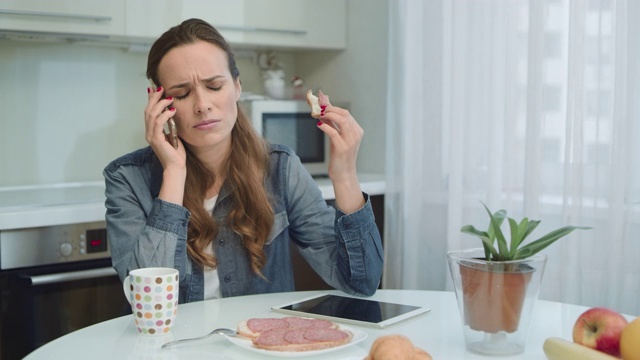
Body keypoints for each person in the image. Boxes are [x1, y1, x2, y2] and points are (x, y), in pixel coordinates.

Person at [103, 18, 383, 304]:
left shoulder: (281, 168)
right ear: (160, 104)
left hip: (260, 345)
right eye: (182, 94)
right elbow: (149, 303)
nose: (202, 105)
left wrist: (345, 174)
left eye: (214, 86)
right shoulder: (126, 179)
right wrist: (174, 172)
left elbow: (361, 282)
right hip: (173, 348)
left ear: (237, 86)